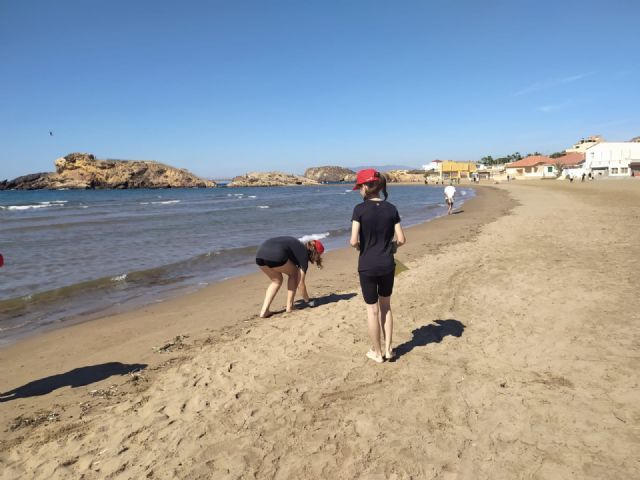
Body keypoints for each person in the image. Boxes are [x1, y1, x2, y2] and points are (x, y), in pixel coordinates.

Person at [350, 169, 406, 363]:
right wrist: (391, 247)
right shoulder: (391, 208)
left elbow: (352, 241)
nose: (359, 191)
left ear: (365, 187)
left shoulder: (359, 209)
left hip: (367, 264)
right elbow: (401, 239)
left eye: (359, 187)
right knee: (386, 306)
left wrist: (362, 247)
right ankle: (389, 349)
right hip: (387, 263)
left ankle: (377, 351)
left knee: (371, 310)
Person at [255, 237, 324, 318]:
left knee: (276, 281)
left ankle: (264, 311)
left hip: (260, 254)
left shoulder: (297, 246)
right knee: (294, 274)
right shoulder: (303, 254)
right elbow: (300, 284)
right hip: (275, 254)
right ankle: (290, 307)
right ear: (314, 253)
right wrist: (308, 301)